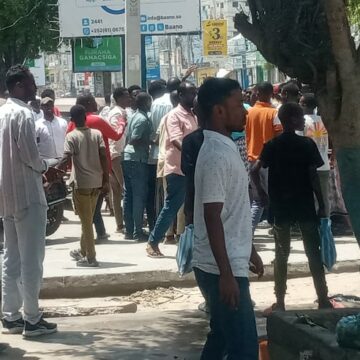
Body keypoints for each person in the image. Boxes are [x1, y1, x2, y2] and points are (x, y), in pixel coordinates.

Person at [193, 78, 263, 359]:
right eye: (238, 106)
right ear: (219, 111)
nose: (245, 112)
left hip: (229, 261)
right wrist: (226, 274)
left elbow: (233, 208)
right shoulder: (215, 155)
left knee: (221, 337)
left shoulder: (225, 147)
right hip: (220, 268)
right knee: (244, 347)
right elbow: (212, 216)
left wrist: (250, 249)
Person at [253, 103, 332, 313]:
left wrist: (262, 193)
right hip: (304, 204)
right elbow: (314, 177)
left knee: (281, 254)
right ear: (293, 120)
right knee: (313, 253)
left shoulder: (272, 145)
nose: (302, 121)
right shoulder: (307, 144)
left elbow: (254, 170)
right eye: (299, 117)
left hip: (281, 206)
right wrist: (322, 204)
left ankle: (280, 301)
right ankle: (323, 298)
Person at [0, 65, 60, 337]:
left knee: (11, 256)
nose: (35, 88)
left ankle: (10, 315)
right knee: (32, 259)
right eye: (31, 83)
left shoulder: (1, 112)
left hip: (7, 196)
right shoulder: (22, 114)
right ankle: (32, 319)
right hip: (27, 193)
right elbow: (31, 157)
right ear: (19, 87)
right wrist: (48, 165)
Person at [147, 82, 198, 257]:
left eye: (195, 92)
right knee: (171, 207)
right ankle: (153, 242)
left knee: (194, 208)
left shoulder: (193, 115)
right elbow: (177, 141)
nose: (194, 96)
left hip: (193, 169)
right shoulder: (174, 116)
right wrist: (193, 154)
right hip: (177, 168)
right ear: (181, 95)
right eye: (191, 93)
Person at [57, 105, 109, 267]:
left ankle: (91, 257)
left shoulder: (71, 136)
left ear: (71, 120)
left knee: (86, 222)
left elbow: (66, 158)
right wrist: (105, 179)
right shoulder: (97, 134)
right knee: (88, 218)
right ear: (85, 117)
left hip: (81, 185)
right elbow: (103, 157)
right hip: (96, 183)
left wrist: (54, 171)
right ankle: (83, 250)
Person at [67, 94, 124, 242]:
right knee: (95, 205)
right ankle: (88, 241)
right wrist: (122, 123)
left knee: (90, 205)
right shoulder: (97, 121)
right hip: (99, 169)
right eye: (93, 101)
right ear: (87, 103)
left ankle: (99, 233)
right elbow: (116, 136)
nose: (96, 104)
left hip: (79, 171)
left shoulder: (72, 124)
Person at [246, 82, 282, 233]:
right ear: (271, 94)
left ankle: (249, 232)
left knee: (258, 200)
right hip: (269, 162)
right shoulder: (274, 113)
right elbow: (279, 136)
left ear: (258, 93)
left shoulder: (249, 112)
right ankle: (248, 233)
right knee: (269, 200)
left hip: (252, 159)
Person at [148, 78, 181, 231]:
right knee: (176, 198)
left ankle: (166, 229)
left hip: (158, 152)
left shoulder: (155, 103)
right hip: (174, 156)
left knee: (163, 197)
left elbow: (155, 130)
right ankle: (173, 230)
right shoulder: (176, 108)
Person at [122, 92, 153, 241]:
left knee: (129, 195)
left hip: (128, 157)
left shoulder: (133, 115)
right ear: (146, 103)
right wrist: (150, 142)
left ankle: (129, 229)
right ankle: (137, 232)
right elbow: (134, 139)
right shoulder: (141, 119)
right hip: (137, 159)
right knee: (138, 196)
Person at [300, 93, 331, 218]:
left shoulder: (302, 122)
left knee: (309, 199)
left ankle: (312, 225)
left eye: (300, 103)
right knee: (324, 199)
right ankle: (325, 225)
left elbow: (299, 144)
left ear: (305, 105)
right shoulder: (324, 121)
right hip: (324, 165)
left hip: (308, 167)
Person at [107, 87, 130, 233]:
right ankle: (126, 223)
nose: (129, 99)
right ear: (119, 98)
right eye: (127, 96)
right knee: (124, 189)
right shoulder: (117, 113)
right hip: (116, 154)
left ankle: (120, 224)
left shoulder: (120, 112)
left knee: (116, 191)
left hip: (113, 154)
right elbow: (115, 136)